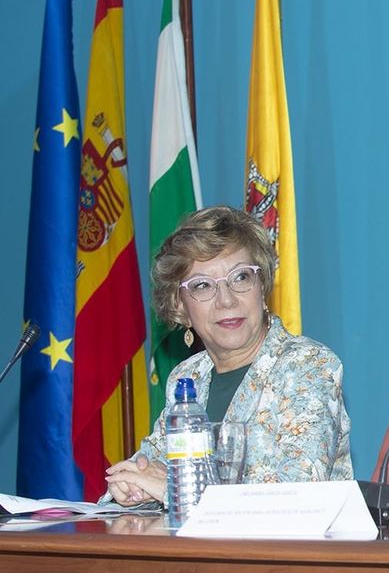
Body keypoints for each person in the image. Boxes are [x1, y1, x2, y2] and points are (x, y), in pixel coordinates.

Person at [105, 206, 353, 505]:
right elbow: (150, 464)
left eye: (240, 277)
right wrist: (130, 486)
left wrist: (175, 488)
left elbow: (296, 493)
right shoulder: (188, 376)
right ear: (180, 306)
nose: (226, 300)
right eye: (202, 285)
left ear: (262, 287)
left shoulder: (309, 365)